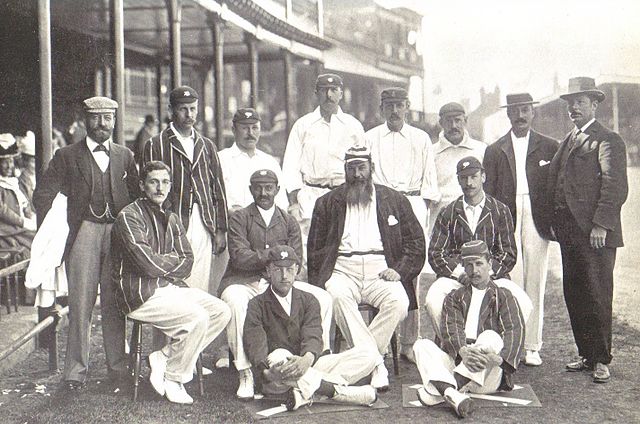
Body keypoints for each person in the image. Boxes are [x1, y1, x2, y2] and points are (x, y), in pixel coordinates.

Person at [33, 96, 139, 390]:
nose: (102, 124)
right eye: (96, 117)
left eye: (107, 118)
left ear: (115, 121)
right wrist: (59, 227)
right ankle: (74, 374)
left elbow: (136, 199)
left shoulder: (125, 156)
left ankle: (117, 368)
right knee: (80, 305)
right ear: (85, 120)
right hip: (84, 233)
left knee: (115, 303)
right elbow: (42, 195)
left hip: (117, 235)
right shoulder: (67, 156)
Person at [111, 161, 231, 404]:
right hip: (138, 294)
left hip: (166, 288)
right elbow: (146, 264)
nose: (160, 187)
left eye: (165, 182)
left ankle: (164, 356)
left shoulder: (172, 217)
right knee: (197, 317)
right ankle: (174, 378)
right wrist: (169, 264)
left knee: (221, 311)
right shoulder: (129, 217)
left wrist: (163, 266)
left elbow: (188, 261)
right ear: (143, 186)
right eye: (154, 182)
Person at [307, 145, 425, 391]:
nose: (358, 174)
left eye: (362, 168)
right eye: (352, 169)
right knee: (336, 296)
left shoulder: (395, 200)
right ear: (345, 170)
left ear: (372, 168)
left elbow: (416, 243)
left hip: (380, 270)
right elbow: (315, 250)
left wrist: (400, 270)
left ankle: (363, 360)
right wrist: (321, 280)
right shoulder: (327, 202)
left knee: (399, 302)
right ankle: (376, 363)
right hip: (342, 269)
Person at [220, 169, 332, 400]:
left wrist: (267, 259)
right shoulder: (240, 218)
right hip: (246, 280)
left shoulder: (288, 220)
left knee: (323, 297)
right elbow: (240, 257)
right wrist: (276, 255)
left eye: (269, 187)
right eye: (258, 187)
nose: (264, 193)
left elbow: (296, 260)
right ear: (251, 190)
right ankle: (246, 371)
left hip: (280, 282)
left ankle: (313, 362)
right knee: (234, 298)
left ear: (277, 190)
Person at [547, 77, 628, 383]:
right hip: (570, 234)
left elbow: (614, 186)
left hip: (595, 235)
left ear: (594, 104)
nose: (573, 109)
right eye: (570, 104)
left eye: (579, 102)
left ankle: (602, 359)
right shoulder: (569, 140)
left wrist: (601, 225)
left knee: (597, 294)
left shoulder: (607, 140)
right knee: (575, 293)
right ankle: (586, 353)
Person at [244, 245, 378, 410]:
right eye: (278, 270)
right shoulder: (256, 304)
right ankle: (338, 392)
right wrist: (267, 373)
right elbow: (255, 344)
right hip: (277, 375)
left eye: (289, 270)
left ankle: (305, 394)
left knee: (370, 354)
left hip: (308, 366)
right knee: (280, 355)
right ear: (268, 271)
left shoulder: (309, 300)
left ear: (297, 270)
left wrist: (306, 360)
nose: (284, 276)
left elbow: (313, 334)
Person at [482, 93, 559, 366]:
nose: (521, 115)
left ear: (532, 112)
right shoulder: (495, 149)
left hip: (537, 214)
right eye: (515, 111)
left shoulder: (550, 146)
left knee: (535, 277)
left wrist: (553, 220)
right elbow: (488, 193)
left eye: (525, 110)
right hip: (507, 214)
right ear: (508, 114)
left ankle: (532, 346)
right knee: (510, 278)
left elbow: (556, 188)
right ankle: (511, 340)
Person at [366, 87, 439, 361]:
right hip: (381, 206)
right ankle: (383, 341)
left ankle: (409, 341)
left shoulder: (420, 138)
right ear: (382, 108)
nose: (395, 111)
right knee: (382, 270)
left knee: (411, 273)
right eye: (389, 105)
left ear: (406, 107)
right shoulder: (369, 137)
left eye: (399, 105)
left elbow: (429, 185)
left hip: (412, 204)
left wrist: (420, 217)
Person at [413, 240, 525, 419]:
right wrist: (463, 351)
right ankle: (454, 396)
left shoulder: (504, 296)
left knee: (491, 336)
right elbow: (452, 329)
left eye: (479, 264)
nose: (475, 271)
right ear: (463, 268)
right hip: (460, 361)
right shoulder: (455, 297)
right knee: (421, 345)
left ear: (489, 263)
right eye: (469, 265)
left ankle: (442, 389)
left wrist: (496, 359)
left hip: (487, 371)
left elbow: (514, 331)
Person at [425, 156, 532, 340]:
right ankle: (454, 347)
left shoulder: (500, 210)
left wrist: (485, 274)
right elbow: (436, 253)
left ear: (483, 176)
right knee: (432, 300)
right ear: (458, 180)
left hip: (492, 277)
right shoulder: (448, 212)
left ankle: (496, 350)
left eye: (474, 176)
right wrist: (462, 274)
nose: (469, 183)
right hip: (457, 277)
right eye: (464, 178)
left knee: (524, 303)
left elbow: (508, 254)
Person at [140, 86, 228, 294]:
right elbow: (147, 191)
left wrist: (221, 228)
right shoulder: (156, 144)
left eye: (193, 109)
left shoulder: (206, 145)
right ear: (171, 111)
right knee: (172, 285)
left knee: (201, 283)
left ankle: (199, 326)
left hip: (204, 223)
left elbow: (218, 188)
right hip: (170, 223)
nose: (189, 115)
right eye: (183, 109)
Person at [282, 73, 365, 239]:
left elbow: (363, 166)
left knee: (343, 248)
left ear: (341, 93)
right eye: (324, 90)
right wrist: (294, 204)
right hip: (311, 196)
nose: (328, 95)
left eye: (333, 90)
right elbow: (290, 167)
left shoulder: (353, 126)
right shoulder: (303, 125)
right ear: (316, 93)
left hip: (344, 195)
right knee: (311, 251)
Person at [429, 102, 486, 233]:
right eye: (448, 121)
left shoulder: (481, 149)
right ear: (441, 123)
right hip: (442, 220)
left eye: (458, 120)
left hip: (474, 218)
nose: (453, 126)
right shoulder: (430, 153)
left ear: (465, 121)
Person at [218, 108, 287, 212]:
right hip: (231, 224)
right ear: (234, 130)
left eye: (255, 128)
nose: (250, 133)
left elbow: (281, 204)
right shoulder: (221, 160)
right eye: (245, 128)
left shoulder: (270, 162)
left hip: (264, 225)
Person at [0, 133, 36, 251]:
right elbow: (3, 211)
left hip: (17, 228)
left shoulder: (12, 182)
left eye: (11, 161)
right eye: (5, 162)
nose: (9, 166)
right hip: (6, 231)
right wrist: (23, 222)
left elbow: (24, 202)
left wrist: (30, 215)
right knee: (37, 243)